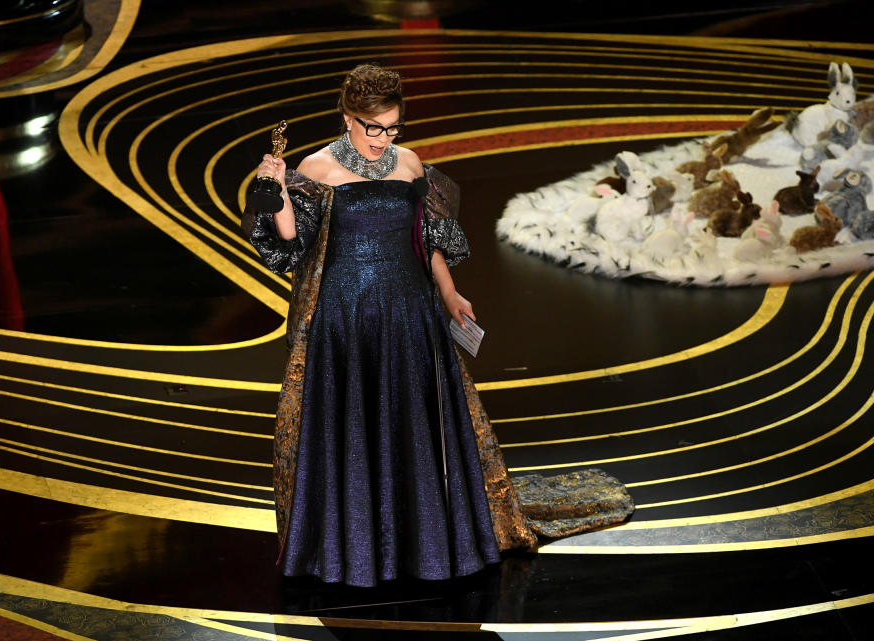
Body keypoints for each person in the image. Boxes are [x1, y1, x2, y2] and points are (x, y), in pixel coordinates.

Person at [243, 64, 631, 588]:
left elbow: (426, 241)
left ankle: (425, 540)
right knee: (355, 427)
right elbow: (292, 244)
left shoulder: (409, 163)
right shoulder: (317, 167)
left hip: (409, 314)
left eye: (393, 127)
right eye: (372, 126)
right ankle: (354, 546)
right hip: (345, 320)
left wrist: (449, 293)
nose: (384, 139)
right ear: (346, 117)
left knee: (417, 429)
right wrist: (278, 191)